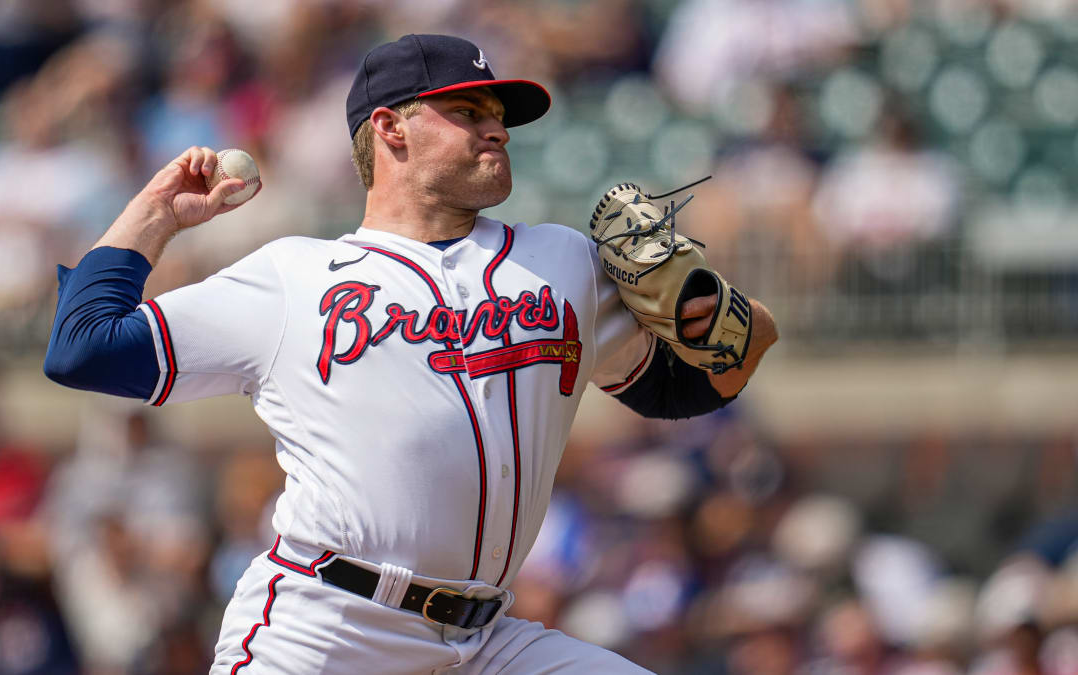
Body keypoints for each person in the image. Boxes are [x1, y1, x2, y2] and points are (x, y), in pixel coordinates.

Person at [44, 34, 778, 674]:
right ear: (390, 127)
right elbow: (83, 349)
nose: (497, 131)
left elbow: (694, 387)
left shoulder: (564, 261)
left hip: (486, 642)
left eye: (499, 117)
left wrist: (708, 308)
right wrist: (155, 213)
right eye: (469, 113)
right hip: (329, 627)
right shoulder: (292, 279)